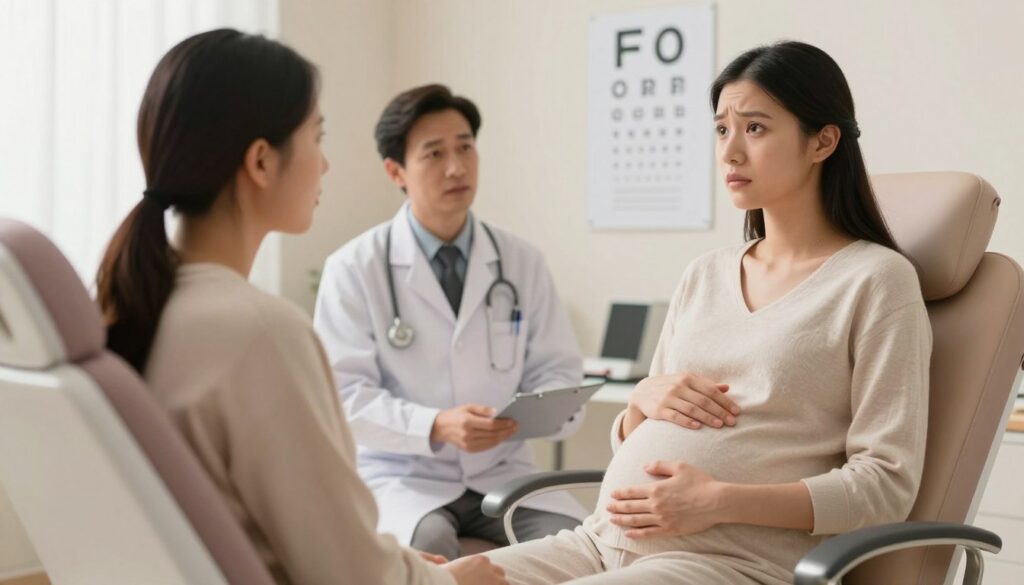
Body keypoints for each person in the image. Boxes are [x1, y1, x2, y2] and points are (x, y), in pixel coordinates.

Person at [483, 41, 932, 585]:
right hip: (597, 542)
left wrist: (719, 501)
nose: (730, 152)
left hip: (731, 563)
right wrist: (639, 406)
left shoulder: (876, 281)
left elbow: (885, 485)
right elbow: (635, 440)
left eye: (756, 128)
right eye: (722, 129)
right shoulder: (704, 273)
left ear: (823, 140)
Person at [95, 29, 506, 585]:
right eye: (317, 136)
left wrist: (405, 567)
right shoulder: (258, 331)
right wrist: (454, 582)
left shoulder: (149, 306)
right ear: (262, 162)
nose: (326, 165)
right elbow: (348, 574)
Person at [313, 84, 588, 558]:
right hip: (405, 478)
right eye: (434, 153)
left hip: (506, 472)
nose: (456, 167)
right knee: (432, 554)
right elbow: (342, 399)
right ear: (395, 170)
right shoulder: (354, 268)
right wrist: (435, 425)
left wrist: (527, 415)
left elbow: (559, 373)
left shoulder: (521, 261)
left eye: (465, 147)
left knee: (579, 549)